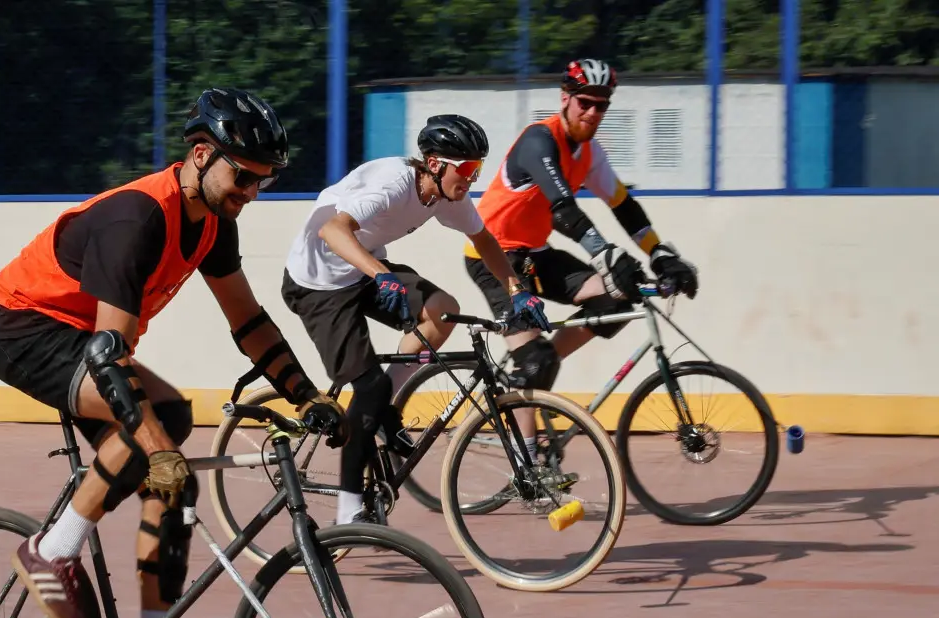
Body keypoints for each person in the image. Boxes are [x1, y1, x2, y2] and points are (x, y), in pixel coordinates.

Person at [0, 87, 347, 618]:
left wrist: (307, 394)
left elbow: (250, 321)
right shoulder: (138, 218)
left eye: (265, 181)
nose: (253, 192)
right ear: (202, 155)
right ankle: (51, 551)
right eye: (245, 176)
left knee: (172, 477)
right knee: (160, 430)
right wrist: (156, 451)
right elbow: (107, 356)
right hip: (24, 329)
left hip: (88, 345)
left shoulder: (213, 224)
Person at [281, 114, 552, 527]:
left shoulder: (448, 197)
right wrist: (381, 274)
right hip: (317, 284)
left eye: (478, 168)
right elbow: (333, 232)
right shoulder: (393, 184)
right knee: (366, 387)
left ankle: (382, 406)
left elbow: (483, 240)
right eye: (466, 169)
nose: (473, 178)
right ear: (436, 164)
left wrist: (517, 290)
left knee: (441, 311)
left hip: (363, 270)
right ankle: (349, 509)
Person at [463, 58, 699, 394]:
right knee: (537, 362)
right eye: (584, 102)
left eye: (600, 106)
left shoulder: (590, 153)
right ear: (565, 98)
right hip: (492, 255)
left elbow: (624, 207)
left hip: (535, 254)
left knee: (616, 298)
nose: (591, 112)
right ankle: (527, 433)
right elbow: (563, 210)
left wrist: (659, 254)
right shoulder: (539, 140)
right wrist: (605, 254)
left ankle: (532, 370)